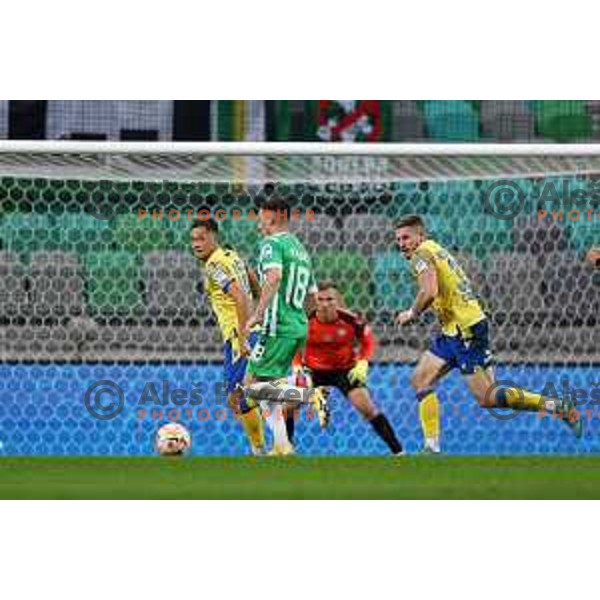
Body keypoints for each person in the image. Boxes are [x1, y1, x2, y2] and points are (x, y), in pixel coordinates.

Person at [394, 214, 582, 453]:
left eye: (406, 237)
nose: (402, 243)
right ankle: (431, 448)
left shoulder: (422, 254)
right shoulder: (435, 248)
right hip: (455, 328)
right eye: (398, 239)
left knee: (488, 397)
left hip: (464, 330)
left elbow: (429, 290)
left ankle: (556, 405)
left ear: (421, 236)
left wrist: (411, 313)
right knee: (420, 379)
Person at [243, 197, 327, 455]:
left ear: (276, 216)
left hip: (275, 326)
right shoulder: (301, 250)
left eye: (262, 219)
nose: (260, 226)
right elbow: (313, 297)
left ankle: (309, 394)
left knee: (249, 388)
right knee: (270, 389)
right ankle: (282, 445)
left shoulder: (272, 244)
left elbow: (275, 276)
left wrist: (258, 314)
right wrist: (301, 321)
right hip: (298, 325)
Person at [291, 281, 404, 455]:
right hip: (313, 371)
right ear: (315, 301)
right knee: (288, 405)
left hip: (344, 370)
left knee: (368, 409)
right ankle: (285, 449)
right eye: (320, 300)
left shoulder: (351, 320)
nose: (325, 304)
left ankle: (399, 452)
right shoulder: (304, 322)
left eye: (330, 299)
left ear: (337, 300)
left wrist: (363, 362)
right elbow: (294, 346)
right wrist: (297, 368)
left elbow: (367, 340)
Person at [191, 218, 265, 455]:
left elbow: (240, 297)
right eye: (193, 239)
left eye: (201, 238)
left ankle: (259, 449)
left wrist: (243, 337)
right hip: (249, 331)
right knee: (241, 396)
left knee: (239, 397)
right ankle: (259, 448)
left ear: (214, 236)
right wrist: (261, 311)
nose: (196, 244)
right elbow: (251, 277)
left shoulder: (214, 266)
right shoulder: (231, 256)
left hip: (239, 335)